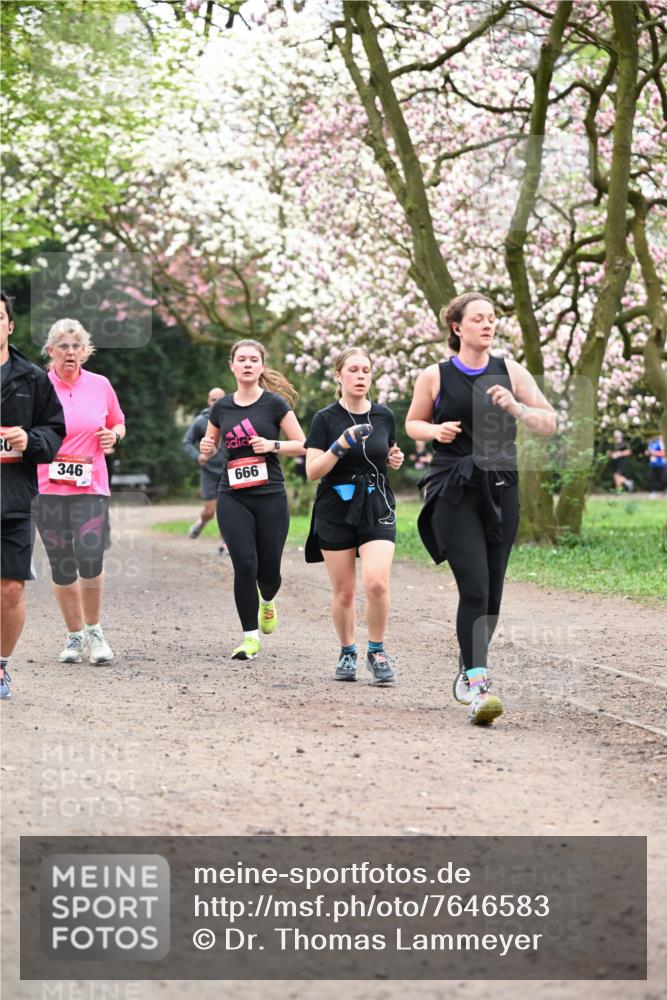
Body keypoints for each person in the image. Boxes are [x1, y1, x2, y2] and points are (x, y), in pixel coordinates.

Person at [406, 292, 556, 725]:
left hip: (501, 487)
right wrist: (435, 431)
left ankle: (467, 668)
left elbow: (549, 422)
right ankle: (479, 685)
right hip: (454, 489)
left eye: (491, 318)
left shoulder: (510, 371)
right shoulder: (434, 375)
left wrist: (517, 407)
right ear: (457, 327)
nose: (488, 324)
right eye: (478, 318)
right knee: (474, 587)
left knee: (492, 593)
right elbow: (413, 423)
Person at [199, 339, 306, 660]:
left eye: (253, 359)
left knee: (268, 572)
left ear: (262, 366)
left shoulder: (274, 404)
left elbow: (303, 444)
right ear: (232, 366)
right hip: (233, 494)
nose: (247, 364)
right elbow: (210, 446)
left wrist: (272, 445)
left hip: (270, 494)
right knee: (244, 564)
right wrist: (207, 448)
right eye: (242, 359)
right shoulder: (221, 407)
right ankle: (249, 638)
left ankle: (268, 600)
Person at [304, 347, 404, 684]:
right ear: (339, 375)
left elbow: (385, 452)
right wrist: (340, 445)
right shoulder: (324, 419)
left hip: (377, 505)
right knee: (344, 591)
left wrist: (393, 458)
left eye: (366, 370)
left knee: (376, 582)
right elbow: (312, 471)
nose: (360, 376)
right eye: (353, 370)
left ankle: (377, 651)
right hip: (336, 507)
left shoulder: (384, 416)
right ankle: (347, 651)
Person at [35, 319, 126, 665]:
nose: (70, 352)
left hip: (91, 485)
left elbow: (118, 421)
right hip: (47, 486)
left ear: (86, 351)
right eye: (63, 346)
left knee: (90, 557)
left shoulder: (100, 384)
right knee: (61, 565)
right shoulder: (36, 386)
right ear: (51, 351)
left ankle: (94, 630)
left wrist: (114, 436)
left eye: (76, 346)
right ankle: (74, 636)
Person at [0, 292, 66, 699]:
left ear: (9, 325)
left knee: (10, 589)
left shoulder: (32, 378)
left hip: (13, 499)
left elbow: (55, 431)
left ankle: (0, 666)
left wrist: (31, 440)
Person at [183, 386, 228, 554]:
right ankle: (201, 522)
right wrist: (198, 456)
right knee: (210, 511)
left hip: (228, 471)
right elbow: (187, 442)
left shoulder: (232, 417)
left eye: (220, 399)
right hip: (209, 472)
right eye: (213, 399)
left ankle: (225, 543)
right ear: (208, 401)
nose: (216, 402)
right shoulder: (201, 421)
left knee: (226, 510)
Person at [645, 433, 666, 498]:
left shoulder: (660, 443)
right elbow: (649, 452)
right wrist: (647, 453)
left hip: (661, 464)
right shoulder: (650, 443)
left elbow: (663, 453)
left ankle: (665, 491)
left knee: (663, 479)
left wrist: (654, 453)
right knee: (650, 477)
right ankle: (652, 492)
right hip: (652, 464)